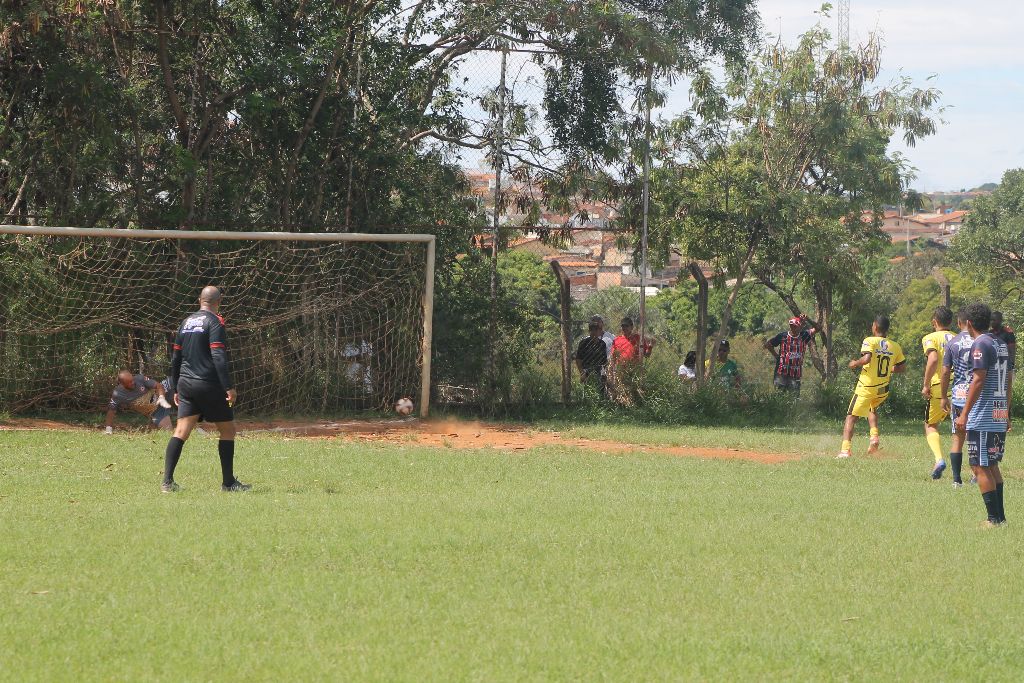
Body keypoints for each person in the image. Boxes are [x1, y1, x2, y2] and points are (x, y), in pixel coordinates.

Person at [162, 285, 250, 493]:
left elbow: (176, 358)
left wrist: (176, 388)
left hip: (186, 384)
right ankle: (228, 483)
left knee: (181, 430)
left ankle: (167, 482)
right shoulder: (215, 322)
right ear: (218, 302)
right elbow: (218, 356)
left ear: (199, 300)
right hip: (208, 383)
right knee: (227, 430)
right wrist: (228, 387)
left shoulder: (185, 322)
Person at [955, 303, 1010, 527]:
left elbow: (978, 379)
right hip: (998, 411)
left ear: (968, 323)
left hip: (984, 414)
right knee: (992, 464)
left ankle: (993, 519)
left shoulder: (980, 343)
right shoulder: (1000, 343)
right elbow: (1008, 379)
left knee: (979, 466)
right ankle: (1001, 518)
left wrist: (964, 414)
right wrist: (1006, 410)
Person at [837, 315, 906, 458]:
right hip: (882, 389)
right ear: (887, 328)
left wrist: (855, 363)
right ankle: (874, 436)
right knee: (871, 407)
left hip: (867, 387)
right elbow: (901, 368)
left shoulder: (869, 340)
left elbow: (867, 358)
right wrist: (888, 369)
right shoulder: (895, 346)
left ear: (874, 326)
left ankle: (845, 450)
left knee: (851, 417)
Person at [940, 307, 974, 488]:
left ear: (959, 323)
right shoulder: (981, 340)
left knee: (958, 437)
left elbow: (945, 372)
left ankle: (956, 479)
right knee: (975, 437)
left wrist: (943, 396)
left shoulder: (952, 343)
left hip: (959, 395)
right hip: (977, 395)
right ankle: (976, 475)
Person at [921, 306, 955, 479]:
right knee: (964, 427)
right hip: (960, 387)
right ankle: (976, 467)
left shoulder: (930, 338)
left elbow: (933, 359)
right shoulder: (959, 337)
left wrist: (926, 384)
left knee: (931, 425)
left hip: (939, 387)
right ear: (952, 322)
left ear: (934, 321)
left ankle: (939, 459)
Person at [105, 371, 173, 432]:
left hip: (161, 394)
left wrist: (161, 397)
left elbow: (158, 385)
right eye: (129, 382)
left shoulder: (139, 379)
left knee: (175, 380)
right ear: (122, 384)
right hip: (156, 410)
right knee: (168, 429)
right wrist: (108, 429)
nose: (133, 382)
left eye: (132, 380)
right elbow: (111, 410)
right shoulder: (118, 394)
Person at [764, 316, 816, 396]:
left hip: (795, 374)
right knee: (779, 396)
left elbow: (818, 328)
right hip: (781, 373)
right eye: (791, 326)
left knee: (794, 397)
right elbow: (768, 344)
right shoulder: (783, 336)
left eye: (795, 326)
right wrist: (776, 356)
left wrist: (807, 318)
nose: (792, 328)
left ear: (800, 327)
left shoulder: (804, 335)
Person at [574, 320, 609, 395]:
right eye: (592, 330)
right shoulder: (584, 343)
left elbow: (604, 361)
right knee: (587, 394)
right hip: (586, 371)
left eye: (596, 330)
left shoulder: (602, 344)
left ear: (599, 331)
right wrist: (582, 373)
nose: (594, 332)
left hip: (599, 371)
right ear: (589, 331)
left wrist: (605, 373)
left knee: (600, 393)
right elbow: (578, 359)